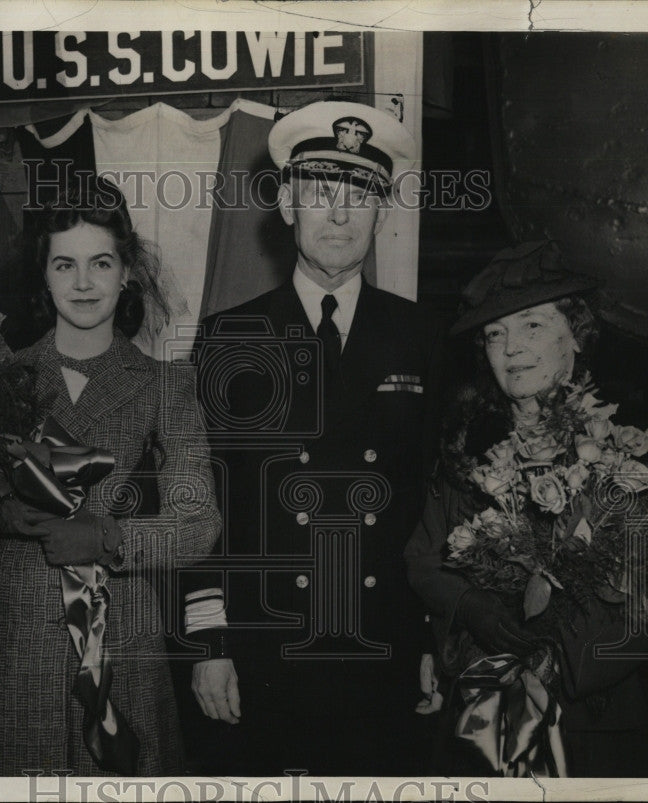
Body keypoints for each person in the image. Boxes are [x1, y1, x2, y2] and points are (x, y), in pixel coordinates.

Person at [183, 101, 445, 776]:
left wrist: (428, 639)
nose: (339, 215)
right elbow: (200, 505)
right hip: (261, 649)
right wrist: (208, 642)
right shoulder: (227, 337)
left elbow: (430, 504)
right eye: (321, 194)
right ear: (288, 205)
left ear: (382, 213)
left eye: (360, 196)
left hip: (380, 644)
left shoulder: (420, 336)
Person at [0, 175, 221, 776]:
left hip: (120, 628)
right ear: (43, 276)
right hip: (10, 634)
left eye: (101, 262)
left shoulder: (164, 386)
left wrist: (108, 537)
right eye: (64, 265)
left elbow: (199, 525)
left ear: (127, 273)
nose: (84, 282)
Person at [404, 240, 648, 777]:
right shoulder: (464, 452)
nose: (511, 348)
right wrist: (471, 607)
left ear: (577, 338)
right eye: (495, 334)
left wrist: (555, 659)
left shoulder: (629, 452)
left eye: (533, 327)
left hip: (591, 721)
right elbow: (423, 558)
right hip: (480, 716)